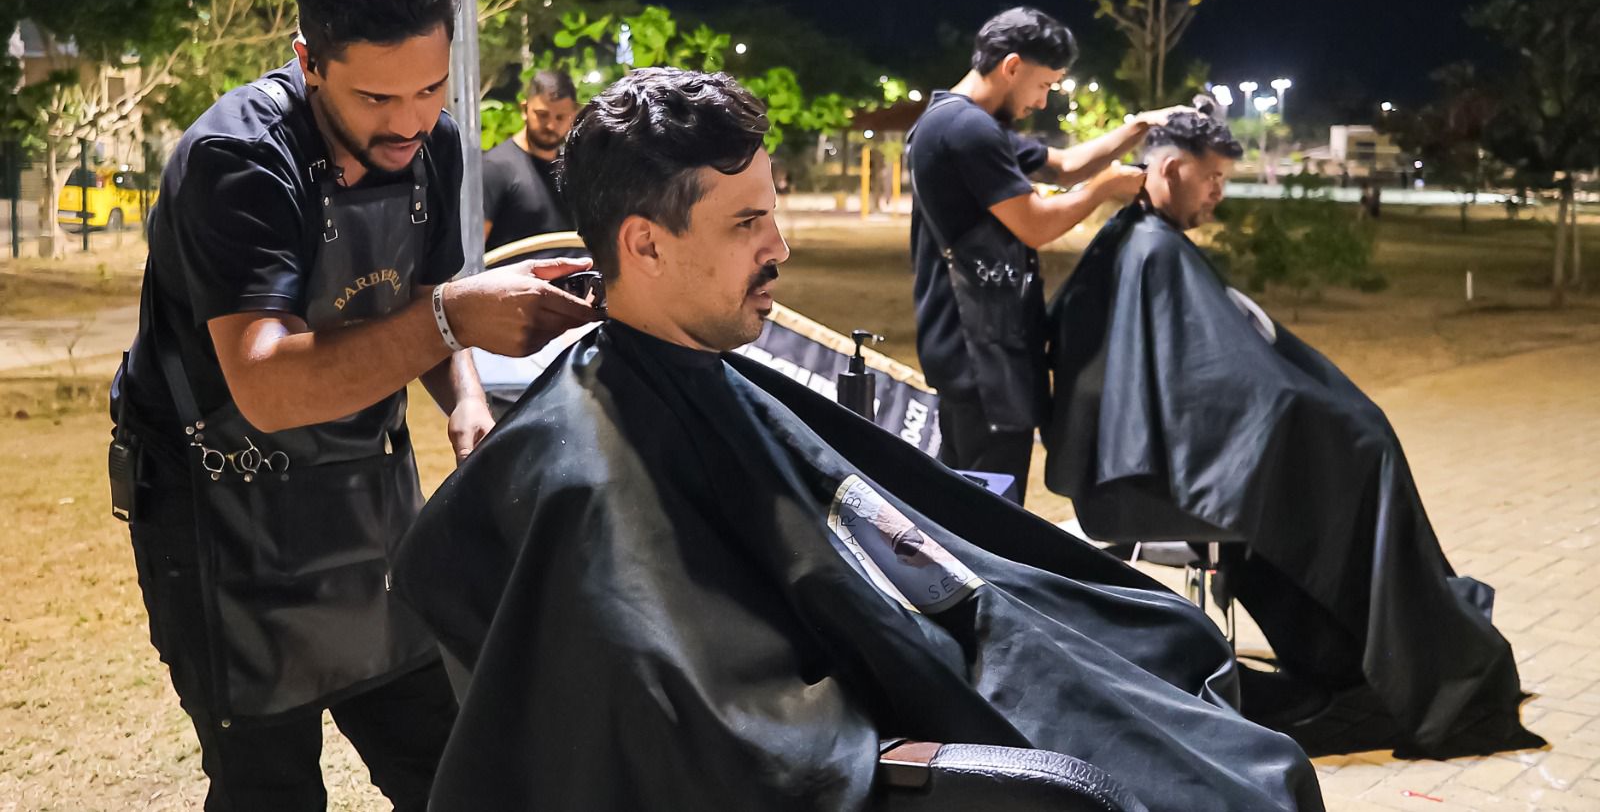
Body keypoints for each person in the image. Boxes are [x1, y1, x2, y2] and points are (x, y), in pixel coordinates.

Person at [392, 67, 1324, 812]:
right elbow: (719, 733)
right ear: (644, 244)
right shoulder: (586, 467)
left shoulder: (708, 380)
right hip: (918, 723)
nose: (780, 248)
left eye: (773, 212)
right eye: (747, 222)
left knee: (1185, 664)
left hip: (943, 660)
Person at [108, 0, 602, 810]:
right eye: (376, 97)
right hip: (219, 512)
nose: (409, 120)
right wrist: (456, 319)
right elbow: (265, 384)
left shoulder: (434, 145)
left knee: (451, 764)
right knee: (268, 787)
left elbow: (424, 296)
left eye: (430, 88)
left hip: (365, 497)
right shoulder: (240, 162)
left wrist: (464, 399)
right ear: (308, 61)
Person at [1043, 111, 1541, 758]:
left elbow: (1218, 370)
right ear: (1170, 169)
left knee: (1345, 468)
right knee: (1354, 473)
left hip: (1153, 463)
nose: (1219, 192)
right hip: (1158, 480)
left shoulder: (1143, 241)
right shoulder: (1153, 249)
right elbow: (1224, 382)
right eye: (1212, 177)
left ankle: (1348, 659)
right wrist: (1331, 425)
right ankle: (1409, 666)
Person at [907, 7, 1184, 501]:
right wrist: (1106, 188)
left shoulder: (961, 122)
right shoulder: (967, 130)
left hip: (976, 348)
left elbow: (1063, 166)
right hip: (981, 351)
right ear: (1012, 66)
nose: (1043, 100)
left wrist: (1137, 127)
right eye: (1044, 84)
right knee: (989, 509)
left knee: (960, 501)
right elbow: (1035, 224)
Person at [482, 68, 577, 255]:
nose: (551, 125)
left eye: (560, 117)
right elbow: (474, 249)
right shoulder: (494, 168)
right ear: (524, 109)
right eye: (542, 115)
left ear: (573, 116)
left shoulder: (575, 169)